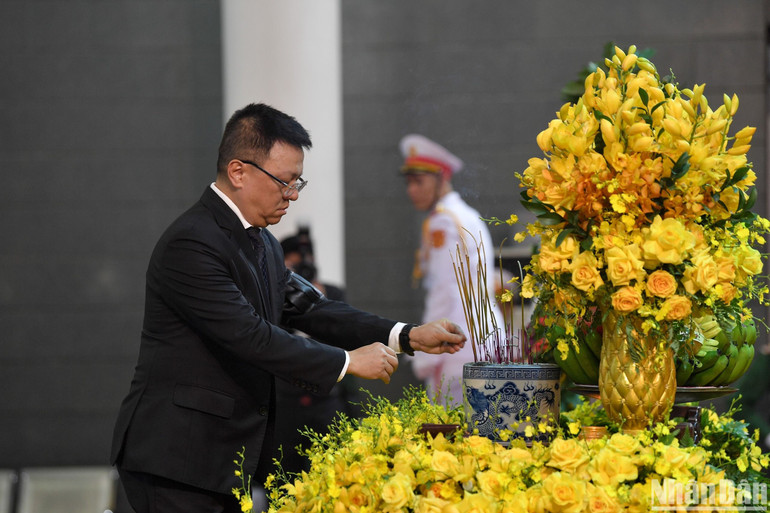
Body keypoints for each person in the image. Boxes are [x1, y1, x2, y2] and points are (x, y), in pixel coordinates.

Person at [110, 104, 466, 513]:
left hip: (221, 459)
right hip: (178, 457)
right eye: (285, 181)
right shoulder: (192, 242)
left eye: (298, 182)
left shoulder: (263, 242)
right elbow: (250, 336)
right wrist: (346, 361)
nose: (293, 195)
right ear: (238, 172)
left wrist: (408, 335)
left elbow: (312, 308)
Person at [399, 133, 502, 406]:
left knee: (450, 428)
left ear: (442, 177)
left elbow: (444, 292)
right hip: (482, 340)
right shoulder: (464, 214)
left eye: (419, 181)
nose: (411, 190)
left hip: (457, 348)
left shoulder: (443, 223)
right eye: (408, 182)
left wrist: (423, 353)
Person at [270, 228, 360, 476]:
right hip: (286, 403)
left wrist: (319, 301)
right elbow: (273, 338)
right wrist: (291, 299)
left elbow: (346, 334)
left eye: (306, 263)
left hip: (326, 399)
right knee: (283, 476)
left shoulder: (331, 293)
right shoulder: (272, 297)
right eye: (293, 265)